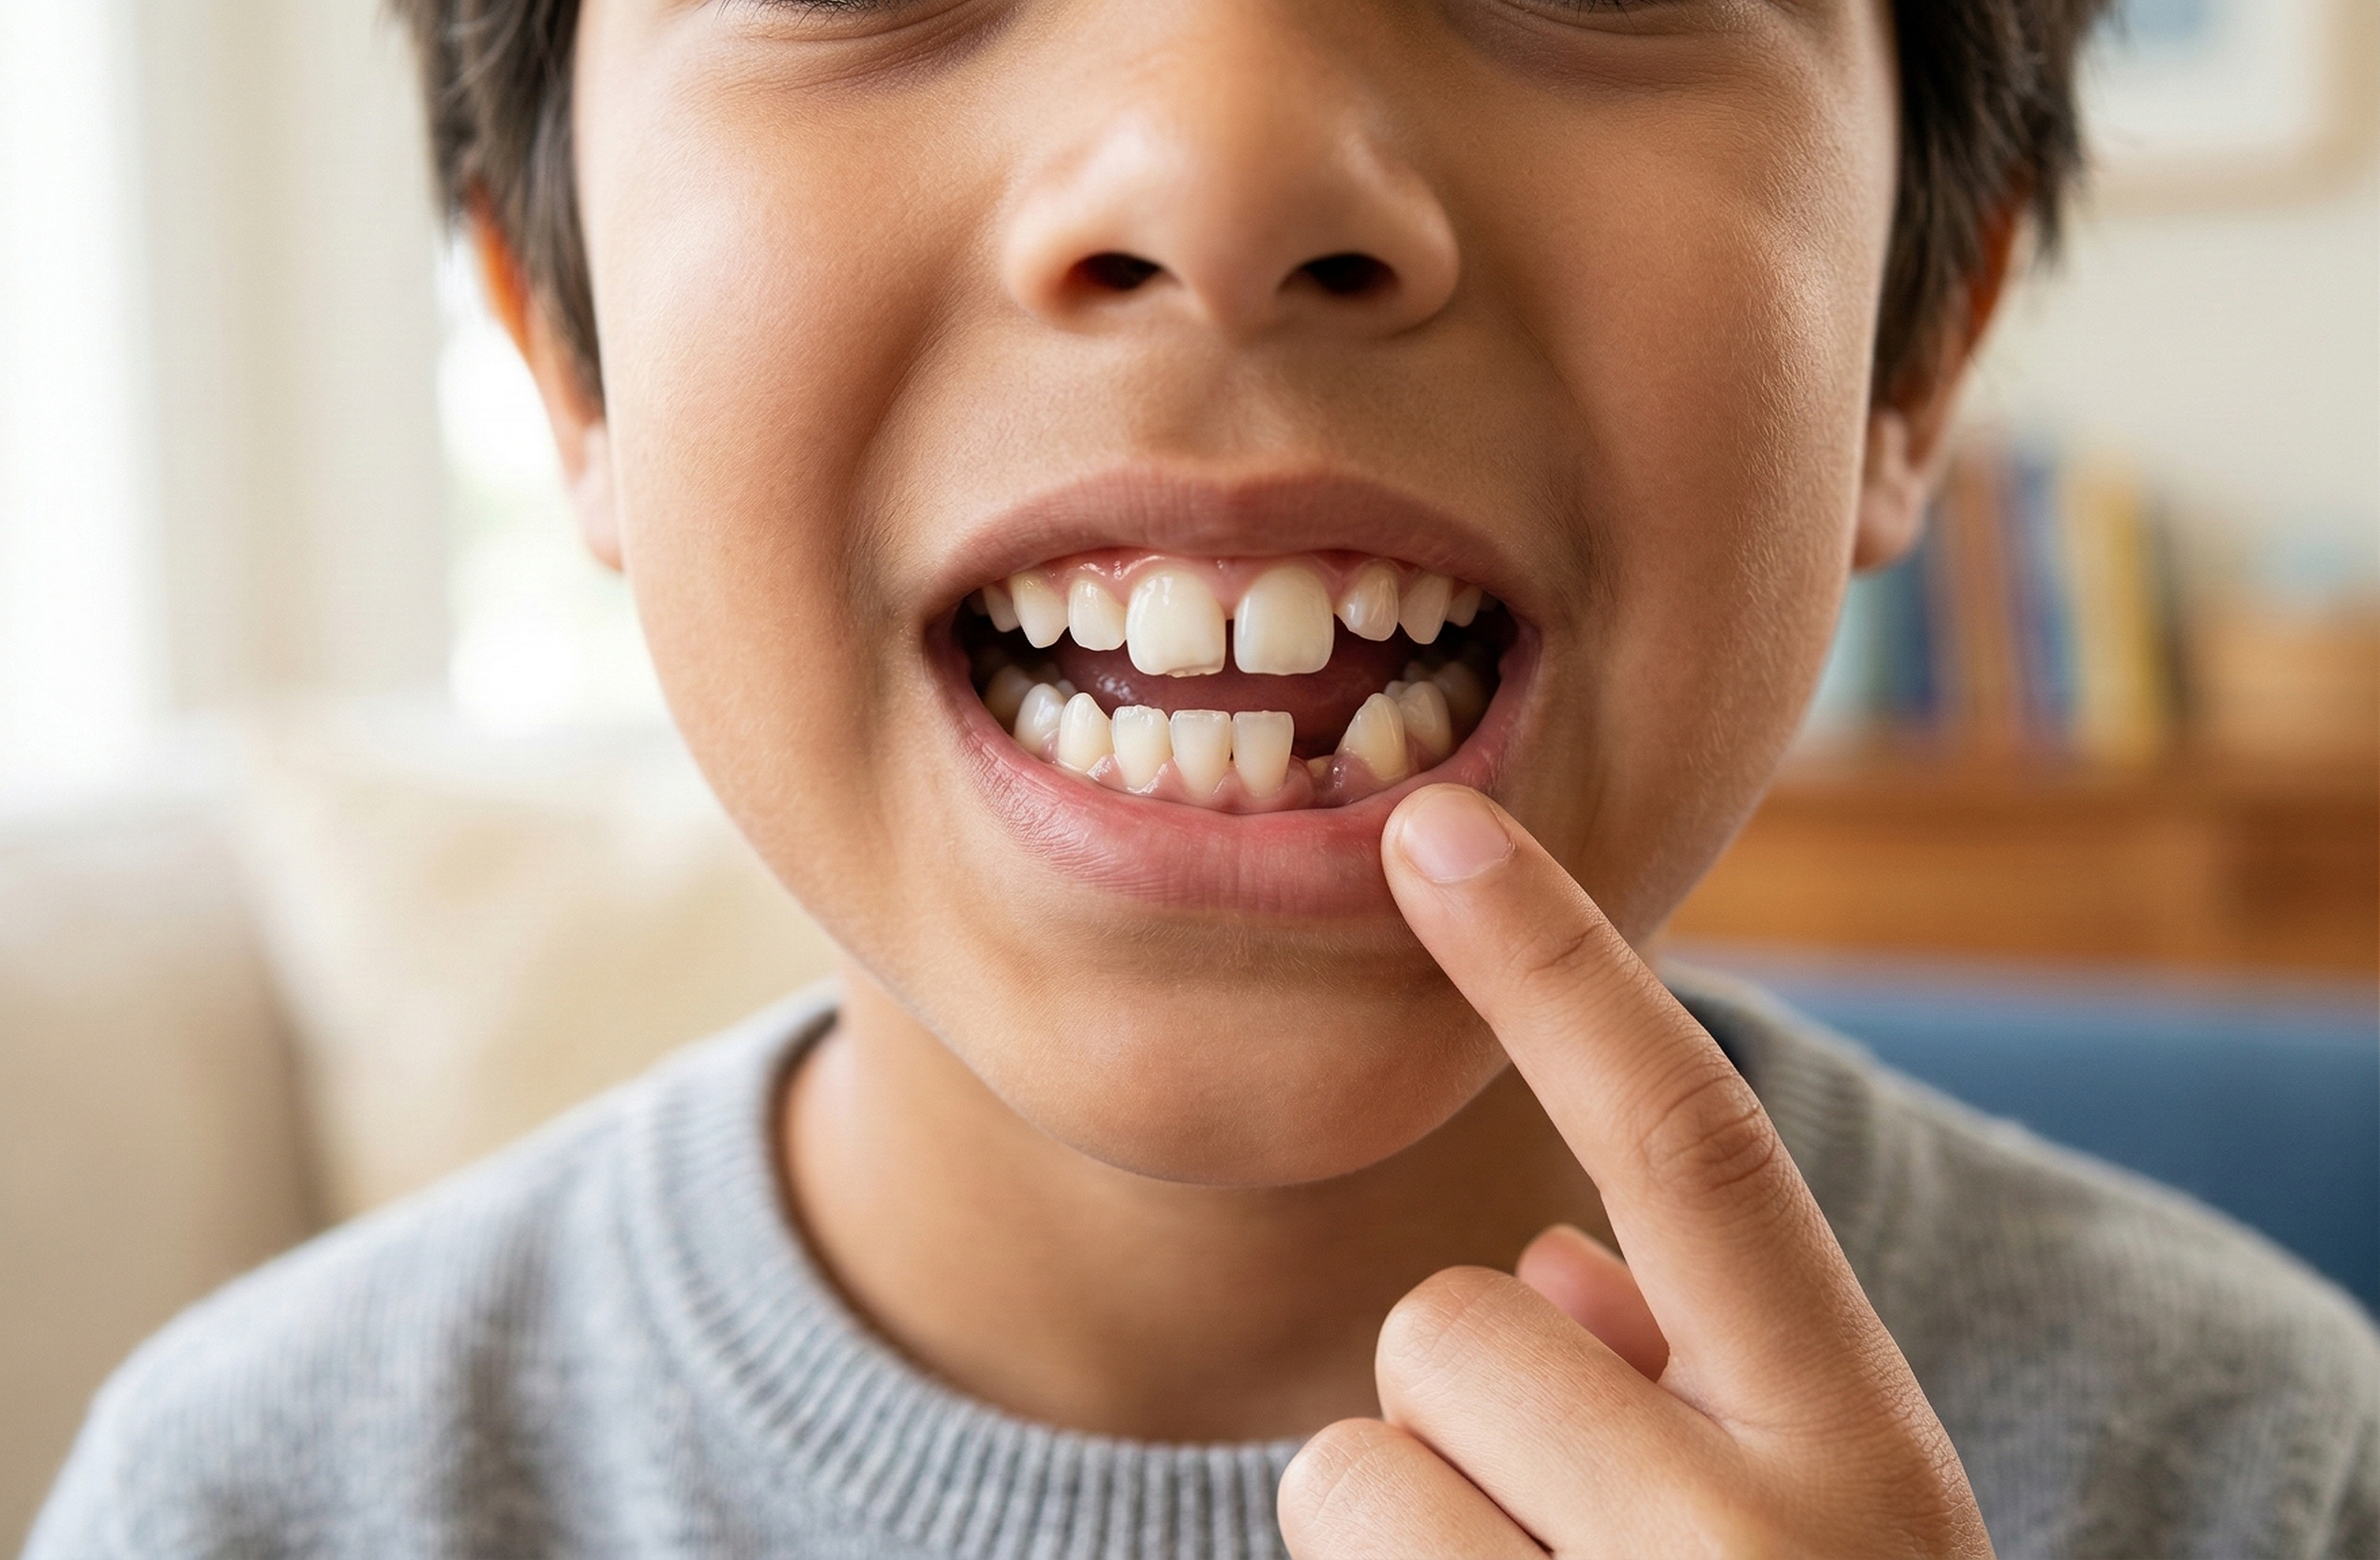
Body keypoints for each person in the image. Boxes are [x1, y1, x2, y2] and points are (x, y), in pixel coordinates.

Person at [27, 1, 2379, 1555]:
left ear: (1918, 342)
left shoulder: (2258, 1468)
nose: (1224, 167)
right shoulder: (251, 1503)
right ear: (569, 359)